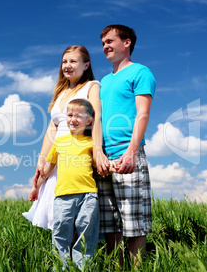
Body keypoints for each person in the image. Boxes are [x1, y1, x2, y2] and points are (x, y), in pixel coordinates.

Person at [22, 45, 109, 230]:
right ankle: (62, 258)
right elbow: (52, 128)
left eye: (73, 61)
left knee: (76, 215)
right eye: (64, 61)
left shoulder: (91, 86)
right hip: (57, 155)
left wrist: (97, 150)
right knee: (58, 215)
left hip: (77, 155)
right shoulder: (61, 92)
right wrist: (42, 159)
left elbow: (96, 118)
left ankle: (77, 258)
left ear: (86, 65)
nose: (67, 66)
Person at [97, 24, 156, 267]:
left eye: (110, 41)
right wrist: (97, 152)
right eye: (103, 44)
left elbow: (143, 113)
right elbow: (97, 120)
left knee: (134, 223)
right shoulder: (102, 81)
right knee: (110, 225)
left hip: (128, 153)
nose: (105, 47)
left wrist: (132, 151)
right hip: (104, 158)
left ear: (127, 42)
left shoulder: (140, 72)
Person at [29, 99, 111, 270]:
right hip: (62, 196)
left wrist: (112, 166)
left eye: (78, 116)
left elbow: (100, 166)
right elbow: (48, 168)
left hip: (87, 195)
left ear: (88, 121)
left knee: (86, 234)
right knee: (60, 233)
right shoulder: (60, 142)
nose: (73, 119)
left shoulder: (91, 144)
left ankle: (84, 268)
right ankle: (62, 266)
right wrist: (36, 186)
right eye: (70, 115)